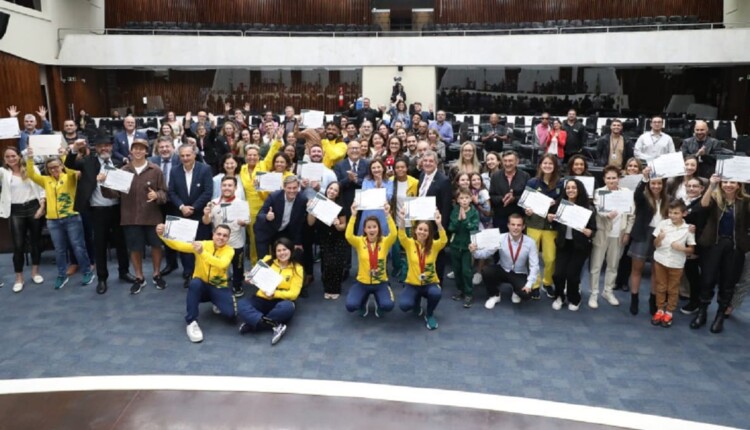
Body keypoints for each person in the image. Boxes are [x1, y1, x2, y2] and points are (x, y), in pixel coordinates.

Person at [66, 134, 134, 293]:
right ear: (95, 148)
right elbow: (69, 164)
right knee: (100, 245)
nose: (104, 148)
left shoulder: (118, 163)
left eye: (107, 145)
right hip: (97, 211)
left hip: (117, 209)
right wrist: (74, 149)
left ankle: (124, 272)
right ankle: (102, 278)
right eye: (100, 146)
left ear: (111, 147)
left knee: (121, 244)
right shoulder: (87, 162)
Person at [100, 137, 168, 295]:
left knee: (157, 246)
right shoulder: (123, 171)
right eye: (135, 148)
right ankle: (139, 277)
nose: (138, 151)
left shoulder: (155, 170)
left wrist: (157, 195)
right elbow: (113, 194)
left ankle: (157, 274)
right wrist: (103, 184)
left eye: (141, 148)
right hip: (131, 217)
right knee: (135, 248)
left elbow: (165, 193)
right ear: (130, 151)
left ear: (146, 151)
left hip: (152, 216)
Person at [26, 148, 95, 289]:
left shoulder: (70, 177)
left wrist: (64, 156)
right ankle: (61, 275)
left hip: (72, 218)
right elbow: (31, 174)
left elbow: (71, 169)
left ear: (61, 166)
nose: (54, 170)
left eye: (56, 167)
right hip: (53, 221)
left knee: (78, 247)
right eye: (50, 168)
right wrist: (30, 158)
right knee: (59, 249)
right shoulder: (46, 180)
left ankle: (87, 272)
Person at [157, 223, 236, 343]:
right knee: (194, 283)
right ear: (213, 234)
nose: (221, 237)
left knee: (231, 315)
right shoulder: (203, 244)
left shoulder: (229, 250)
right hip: (202, 286)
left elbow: (221, 264)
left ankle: (217, 301)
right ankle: (191, 321)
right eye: (218, 234)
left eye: (225, 236)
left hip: (218, 285)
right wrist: (162, 235)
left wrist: (202, 253)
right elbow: (179, 245)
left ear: (228, 238)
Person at [691, 174, 750, 333]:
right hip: (713, 244)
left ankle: (720, 316)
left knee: (728, 283)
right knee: (707, 279)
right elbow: (703, 205)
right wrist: (711, 185)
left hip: (735, 246)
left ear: (739, 184)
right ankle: (702, 313)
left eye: (732, 182)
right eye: (726, 182)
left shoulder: (745, 201)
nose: (728, 185)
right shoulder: (715, 197)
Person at [238, 237, 302, 345]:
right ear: (275, 252)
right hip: (262, 298)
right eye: (279, 250)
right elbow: (253, 276)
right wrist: (249, 278)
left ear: (291, 250)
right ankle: (275, 325)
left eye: (285, 249)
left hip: (281, 300)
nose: (282, 253)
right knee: (241, 304)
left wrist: (275, 294)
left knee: (288, 308)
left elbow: (294, 294)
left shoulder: (297, 268)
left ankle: (254, 323)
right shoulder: (267, 260)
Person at [168, 144, 214, 288]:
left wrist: (193, 207)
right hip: (181, 214)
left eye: (188, 155)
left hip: (199, 215)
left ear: (194, 155)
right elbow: (171, 192)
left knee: (201, 246)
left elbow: (208, 192)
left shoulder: (205, 169)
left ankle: (202, 275)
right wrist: (182, 207)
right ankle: (188, 274)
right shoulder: (174, 171)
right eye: (182, 156)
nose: (185, 158)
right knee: (185, 248)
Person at [0, 146, 45, 293]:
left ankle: (35, 272)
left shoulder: (31, 169)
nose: (11, 159)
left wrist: (41, 207)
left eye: (13, 156)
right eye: (7, 157)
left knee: (35, 243)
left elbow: (42, 187)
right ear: (4, 159)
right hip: (15, 211)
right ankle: (19, 278)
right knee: (18, 246)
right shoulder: (3, 173)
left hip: (33, 208)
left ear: (19, 156)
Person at [547, 179, 596, 311]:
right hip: (563, 245)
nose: (570, 190)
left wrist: (589, 232)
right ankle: (559, 296)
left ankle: (574, 298)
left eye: (574, 187)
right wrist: (551, 219)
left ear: (579, 189)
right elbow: (556, 225)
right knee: (558, 274)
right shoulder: (560, 205)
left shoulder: (588, 208)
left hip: (579, 246)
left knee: (572, 275)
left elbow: (593, 230)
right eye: (568, 188)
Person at [590, 166, 635, 308]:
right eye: (608, 178)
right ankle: (594, 293)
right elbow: (599, 210)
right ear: (604, 179)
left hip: (619, 235)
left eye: (614, 178)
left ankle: (608, 291)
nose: (611, 180)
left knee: (613, 265)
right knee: (596, 266)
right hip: (602, 234)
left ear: (619, 179)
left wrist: (627, 232)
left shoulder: (627, 193)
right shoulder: (599, 192)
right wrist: (606, 215)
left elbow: (632, 215)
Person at [476, 214, 540, 309]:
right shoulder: (500, 238)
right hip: (503, 269)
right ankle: (495, 295)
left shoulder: (530, 242)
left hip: (519, 273)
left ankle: (516, 289)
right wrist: (474, 251)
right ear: (508, 225)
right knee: (486, 271)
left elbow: (534, 266)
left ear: (523, 227)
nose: (515, 228)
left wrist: (529, 284)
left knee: (526, 294)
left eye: (518, 225)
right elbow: (485, 253)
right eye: (513, 224)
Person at [345, 202, 397, 317]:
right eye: (369, 227)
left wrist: (388, 215)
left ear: (378, 228)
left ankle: (379, 303)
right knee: (351, 305)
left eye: (374, 227)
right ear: (365, 229)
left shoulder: (384, 241)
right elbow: (348, 236)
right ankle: (363, 302)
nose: (372, 230)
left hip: (381, 282)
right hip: (362, 282)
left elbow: (394, 234)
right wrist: (353, 216)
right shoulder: (360, 241)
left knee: (388, 305)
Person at [628, 166, 668, 316]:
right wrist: (644, 178)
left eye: (659, 183)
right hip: (643, 234)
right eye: (653, 183)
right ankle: (634, 299)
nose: (656, 186)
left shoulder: (668, 199)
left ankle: (653, 300)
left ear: (663, 185)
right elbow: (637, 194)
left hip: (661, 236)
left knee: (656, 272)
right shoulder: (643, 198)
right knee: (637, 269)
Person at [397, 209, 446, 330]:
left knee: (436, 293)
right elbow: (401, 235)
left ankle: (429, 314)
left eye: (425, 230)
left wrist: (439, 223)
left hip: (429, 283)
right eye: (420, 229)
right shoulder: (409, 244)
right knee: (404, 305)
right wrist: (402, 220)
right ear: (415, 230)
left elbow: (444, 240)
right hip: (412, 284)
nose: (422, 232)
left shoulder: (434, 245)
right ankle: (416, 303)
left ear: (429, 233)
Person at [524, 154, 564, 298]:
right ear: (540, 165)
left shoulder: (560, 183)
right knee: (532, 256)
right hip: (533, 223)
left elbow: (562, 203)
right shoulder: (533, 182)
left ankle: (547, 283)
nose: (547, 166)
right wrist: (526, 210)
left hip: (550, 225)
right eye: (545, 163)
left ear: (555, 166)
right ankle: (534, 284)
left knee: (550, 258)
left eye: (550, 164)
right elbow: (525, 203)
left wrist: (555, 209)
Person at [651, 199, 696, 327]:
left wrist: (682, 248)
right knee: (660, 286)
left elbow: (691, 249)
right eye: (670, 212)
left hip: (676, 263)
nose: (672, 215)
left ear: (684, 214)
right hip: (660, 260)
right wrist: (659, 238)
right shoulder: (663, 224)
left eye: (676, 213)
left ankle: (669, 312)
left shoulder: (688, 229)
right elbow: (655, 244)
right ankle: (659, 309)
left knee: (673, 288)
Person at [202, 175, 249, 297]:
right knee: (218, 266)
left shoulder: (241, 204)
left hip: (236, 242)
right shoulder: (213, 203)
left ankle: (237, 285)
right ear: (220, 187)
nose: (227, 188)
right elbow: (206, 222)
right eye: (224, 185)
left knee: (238, 267)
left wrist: (243, 222)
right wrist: (206, 214)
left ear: (235, 187)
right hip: (219, 243)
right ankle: (218, 287)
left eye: (230, 185)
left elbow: (247, 222)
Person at [239, 139, 283, 265]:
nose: (252, 157)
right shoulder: (242, 169)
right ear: (246, 156)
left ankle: (271, 264)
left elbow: (272, 152)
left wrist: (278, 139)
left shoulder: (264, 165)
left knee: (267, 238)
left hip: (265, 206)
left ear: (258, 156)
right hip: (248, 209)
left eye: (254, 155)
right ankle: (255, 264)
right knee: (253, 239)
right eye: (249, 155)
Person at [307, 182, 348, 299]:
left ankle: (335, 289)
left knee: (336, 264)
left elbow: (343, 226)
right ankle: (327, 288)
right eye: (330, 188)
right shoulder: (319, 203)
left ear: (338, 194)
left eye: (335, 190)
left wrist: (337, 224)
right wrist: (311, 210)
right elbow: (310, 223)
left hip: (338, 238)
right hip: (324, 238)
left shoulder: (340, 207)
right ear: (327, 189)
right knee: (327, 264)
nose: (332, 191)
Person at [254, 175, 308, 260]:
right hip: (265, 230)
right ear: (284, 187)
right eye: (289, 188)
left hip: (282, 232)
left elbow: (299, 223)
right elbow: (260, 214)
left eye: (295, 188)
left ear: (298, 187)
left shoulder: (302, 199)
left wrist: (298, 242)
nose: (292, 190)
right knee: (264, 260)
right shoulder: (274, 196)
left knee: (281, 257)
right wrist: (267, 217)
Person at [417, 150, 452, 280]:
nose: (427, 163)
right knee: (424, 254)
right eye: (425, 161)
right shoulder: (422, 176)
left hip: (435, 225)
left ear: (436, 163)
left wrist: (441, 228)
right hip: (422, 222)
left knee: (437, 255)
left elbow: (446, 207)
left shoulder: (444, 180)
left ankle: (437, 282)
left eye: (431, 161)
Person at [150, 136, 181, 276]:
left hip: (177, 202)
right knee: (165, 233)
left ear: (173, 148)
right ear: (158, 149)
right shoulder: (152, 161)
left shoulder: (180, 159)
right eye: (161, 147)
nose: (164, 149)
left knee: (180, 233)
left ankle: (188, 267)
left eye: (167, 146)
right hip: (158, 203)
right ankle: (171, 263)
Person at [449, 189, 480, 308]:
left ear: (471, 199)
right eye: (461, 198)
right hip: (455, 245)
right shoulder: (455, 211)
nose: (464, 200)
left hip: (467, 246)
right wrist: (458, 220)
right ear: (457, 200)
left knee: (466, 271)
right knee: (457, 270)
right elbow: (451, 228)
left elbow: (474, 227)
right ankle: (460, 290)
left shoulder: (474, 212)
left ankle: (468, 294)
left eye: (466, 198)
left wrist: (465, 219)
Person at [489, 150, 529, 232]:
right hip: (500, 218)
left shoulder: (525, 176)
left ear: (517, 162)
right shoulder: (495, 176)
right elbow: (492, 195)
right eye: (505, 161)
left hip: (518, 218)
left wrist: (514, 199)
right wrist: (502, 199)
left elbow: (528, 198)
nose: (507, 164)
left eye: (510, 161)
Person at [357, 159, 394, 235]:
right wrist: (376, 187)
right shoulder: (366, 180)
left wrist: (380, 186)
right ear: (370, 170)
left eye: (378, 167)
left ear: (383, 168)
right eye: (373, 168)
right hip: (368, 213)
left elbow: (388, 198)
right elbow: (364, 196)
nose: (376, 169)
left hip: (383, 213)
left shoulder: (389, 182)